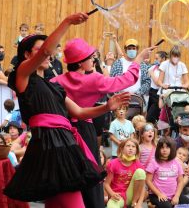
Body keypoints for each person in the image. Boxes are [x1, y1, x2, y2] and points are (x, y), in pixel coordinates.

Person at [4, 12, 130, 207]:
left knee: (59, 203)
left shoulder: (53, 86)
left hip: (63, 145)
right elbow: (46, 52)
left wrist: (107, 106)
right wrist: (68, 22)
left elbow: (79, 112)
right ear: (28, 55)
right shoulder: (22, 75)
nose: (50, 52)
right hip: (50, 146)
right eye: (39, 50)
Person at [51, 37, 153, 208]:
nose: (93, 60)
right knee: (90, 172)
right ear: (81, 63)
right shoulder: (93, 80)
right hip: (83, 130)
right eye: (91, 57)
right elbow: (126, 80)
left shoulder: (56, 81)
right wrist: (138, 60)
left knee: (68, 172)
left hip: (62, 131)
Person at [104, 138, 146, 208]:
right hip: (118, 196)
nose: (130, 148)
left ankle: (133, 203)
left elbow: (142, 187)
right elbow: (106, 184)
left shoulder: (138, 164)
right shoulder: (113, 163)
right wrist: (112, 194)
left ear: (136, 150)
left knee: (140, 172)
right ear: (122, 148)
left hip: (131, 196)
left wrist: (139, 203)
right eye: (128, 146)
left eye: (133, 146)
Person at [146, 137, 184, 208]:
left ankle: (153, 206)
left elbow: (181, 181)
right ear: (158, 149)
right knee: (168, 207)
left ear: (172, 149)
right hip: (156, 195)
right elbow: (148, 181)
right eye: (162, 147)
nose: (164, 150)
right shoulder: (154, 162)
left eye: (167, 148)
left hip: (173, 194)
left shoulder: (176, 162)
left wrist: (177, 196)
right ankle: (152, 204)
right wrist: (159, 194)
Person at [147, 51, 168, 124]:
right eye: (155, 58)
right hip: (151, 92)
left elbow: (158, 83)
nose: (155, 60)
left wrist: (152, 73)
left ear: (163, 58)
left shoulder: (165, 69)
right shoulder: (154, 67)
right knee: (150, 116)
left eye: (157, 58)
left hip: (158, 94)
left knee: (150, 117)